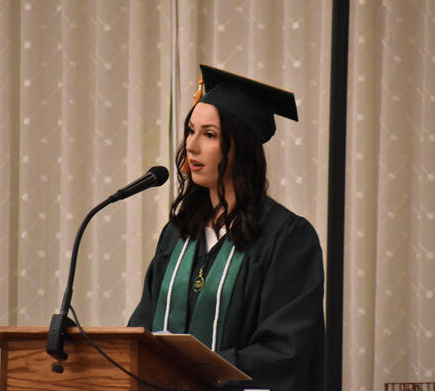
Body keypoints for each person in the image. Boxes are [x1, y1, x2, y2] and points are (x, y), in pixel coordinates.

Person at [128, 64, 324, 391]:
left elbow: (286, 353)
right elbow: (142, 331)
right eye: (191, 131)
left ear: (241, 147)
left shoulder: (288, 238)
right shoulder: (177, 235)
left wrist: (193, 372)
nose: (191, 146)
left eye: (209, 134)